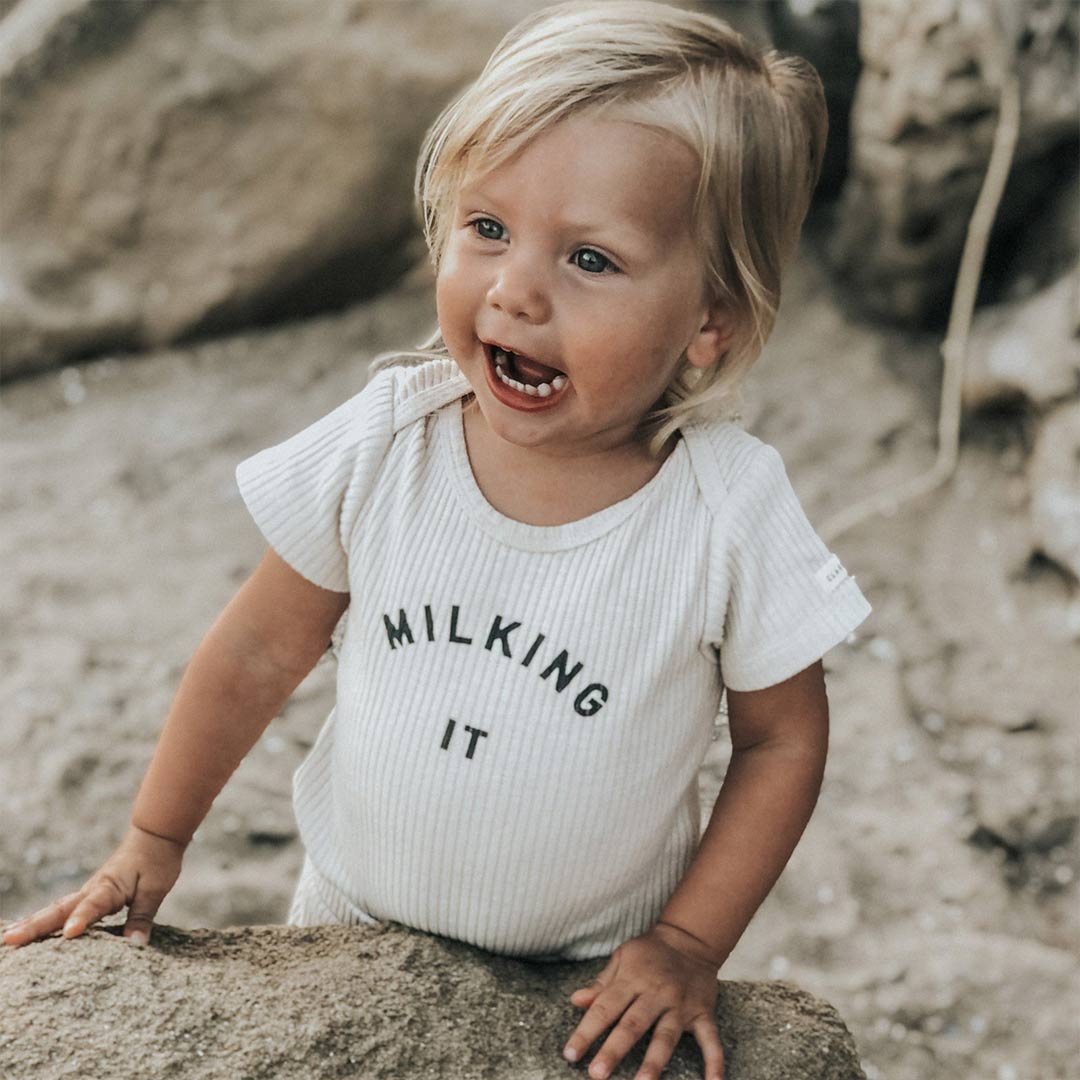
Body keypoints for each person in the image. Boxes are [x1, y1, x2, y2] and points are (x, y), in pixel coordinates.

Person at [3, 3, 872, 1078]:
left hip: (586, 972)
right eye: (488, 228)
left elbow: (781, 743)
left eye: (590, 258)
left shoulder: (725, 508)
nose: (516, 290)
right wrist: (155, 838)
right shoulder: (387, 442)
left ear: (711, 320)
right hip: (347, 926)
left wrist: (688, 945)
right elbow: (258, 651)